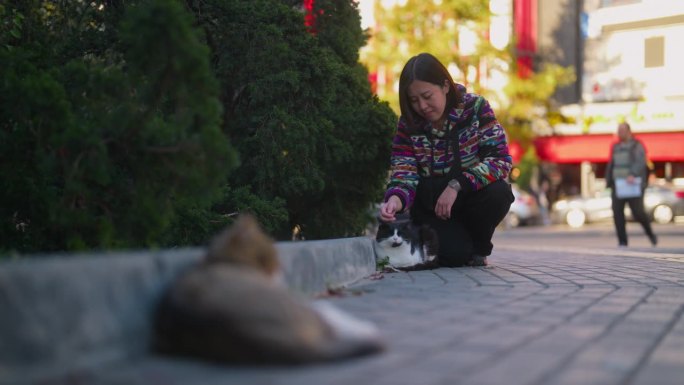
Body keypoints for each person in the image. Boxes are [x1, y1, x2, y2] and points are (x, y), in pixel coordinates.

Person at [378, 53, 514, 267]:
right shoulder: (408, 124)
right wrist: (396, 199)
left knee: (499, 193)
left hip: (469, 196)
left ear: (445, 86)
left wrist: (457, 184)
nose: (422, 106)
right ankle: (463, 248)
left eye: (427, 95)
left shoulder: (476, 108)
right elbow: (404, 172)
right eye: (414, 100)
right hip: (431, 207)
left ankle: (479, 247)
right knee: (455, 257)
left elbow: (500, 160)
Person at [605, 122, 657, 247]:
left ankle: (650, 234)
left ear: (629, 131)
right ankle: (622, 241)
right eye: (618, 130)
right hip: (618, 185)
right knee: (617, 212)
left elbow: (640, 162)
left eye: (622, 130)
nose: (619, 133)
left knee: (638, 213)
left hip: (633, 185)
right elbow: (612, 164)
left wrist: (633, 174)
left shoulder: (637, 145)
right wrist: (609, 180)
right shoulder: (615, 146)